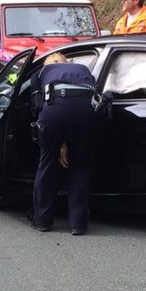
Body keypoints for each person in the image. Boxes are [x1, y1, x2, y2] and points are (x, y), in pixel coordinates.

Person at [29, 53, 104, 235]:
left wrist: (57, 144)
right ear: (67, 63)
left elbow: (37, 106)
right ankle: (78, 224)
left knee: (47, 161)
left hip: (55, 110)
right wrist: (65, 142)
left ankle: (43, 220)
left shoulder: (40, 73)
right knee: (82, 163)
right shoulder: (83, 70)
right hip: (88, 111)